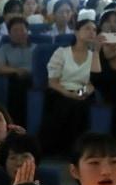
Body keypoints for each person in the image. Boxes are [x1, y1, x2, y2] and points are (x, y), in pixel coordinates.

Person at [42, 18, 102, 155]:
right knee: (65, 104)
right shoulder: (62, 52)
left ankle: (77, 151)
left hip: (83, 92)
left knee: (81, 105)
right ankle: (57, 150)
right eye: (87, 28)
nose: (91, 32)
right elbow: (53, 81)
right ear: (76, 32)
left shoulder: (94, 56)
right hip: (60, 90)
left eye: (94, 30)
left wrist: (83, 92)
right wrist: (69, 93)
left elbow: (94, 82)